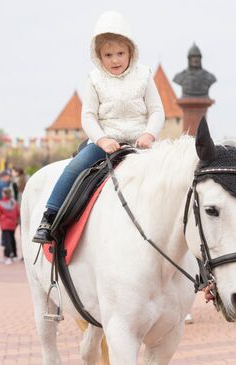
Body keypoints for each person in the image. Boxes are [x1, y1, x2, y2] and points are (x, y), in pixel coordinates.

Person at [33, 10, 165, 243]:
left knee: (168, 174)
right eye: (108, 55)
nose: (115, 60)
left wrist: (149, 134)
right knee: (75, 167)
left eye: (120, 53)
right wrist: (102, 139)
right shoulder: (95, 79)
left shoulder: (144, 75)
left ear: (130, 51)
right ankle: (50, 217)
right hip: (107, 142)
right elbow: (88, 116)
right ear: (99, 56)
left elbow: (156, 111)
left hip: (139, 142)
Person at [0, 188, 20, 264]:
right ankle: (14, 255)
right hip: (13, 224)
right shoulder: (15, 203)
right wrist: (17, 222)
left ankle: (8, 257)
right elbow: (18, 213)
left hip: (4, 224)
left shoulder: (0, 204)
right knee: (12, 238)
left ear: (4, 194)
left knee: (6, 240)